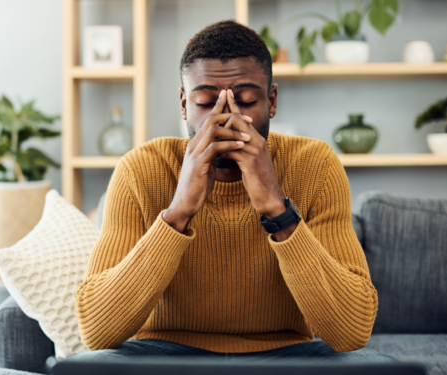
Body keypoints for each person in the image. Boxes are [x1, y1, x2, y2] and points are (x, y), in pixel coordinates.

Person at [71, 20, 397, 364]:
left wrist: (277, 209)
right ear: (183, 104)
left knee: (379, 368)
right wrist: (178, 212)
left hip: (287, 353)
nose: (225, 119)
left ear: (271, 101)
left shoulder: (314, 164)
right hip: (163, 355)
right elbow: (96, 330)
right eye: (205, 102)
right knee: (85, 368)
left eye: (246, 100)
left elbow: (352, 332)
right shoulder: (140, 169)